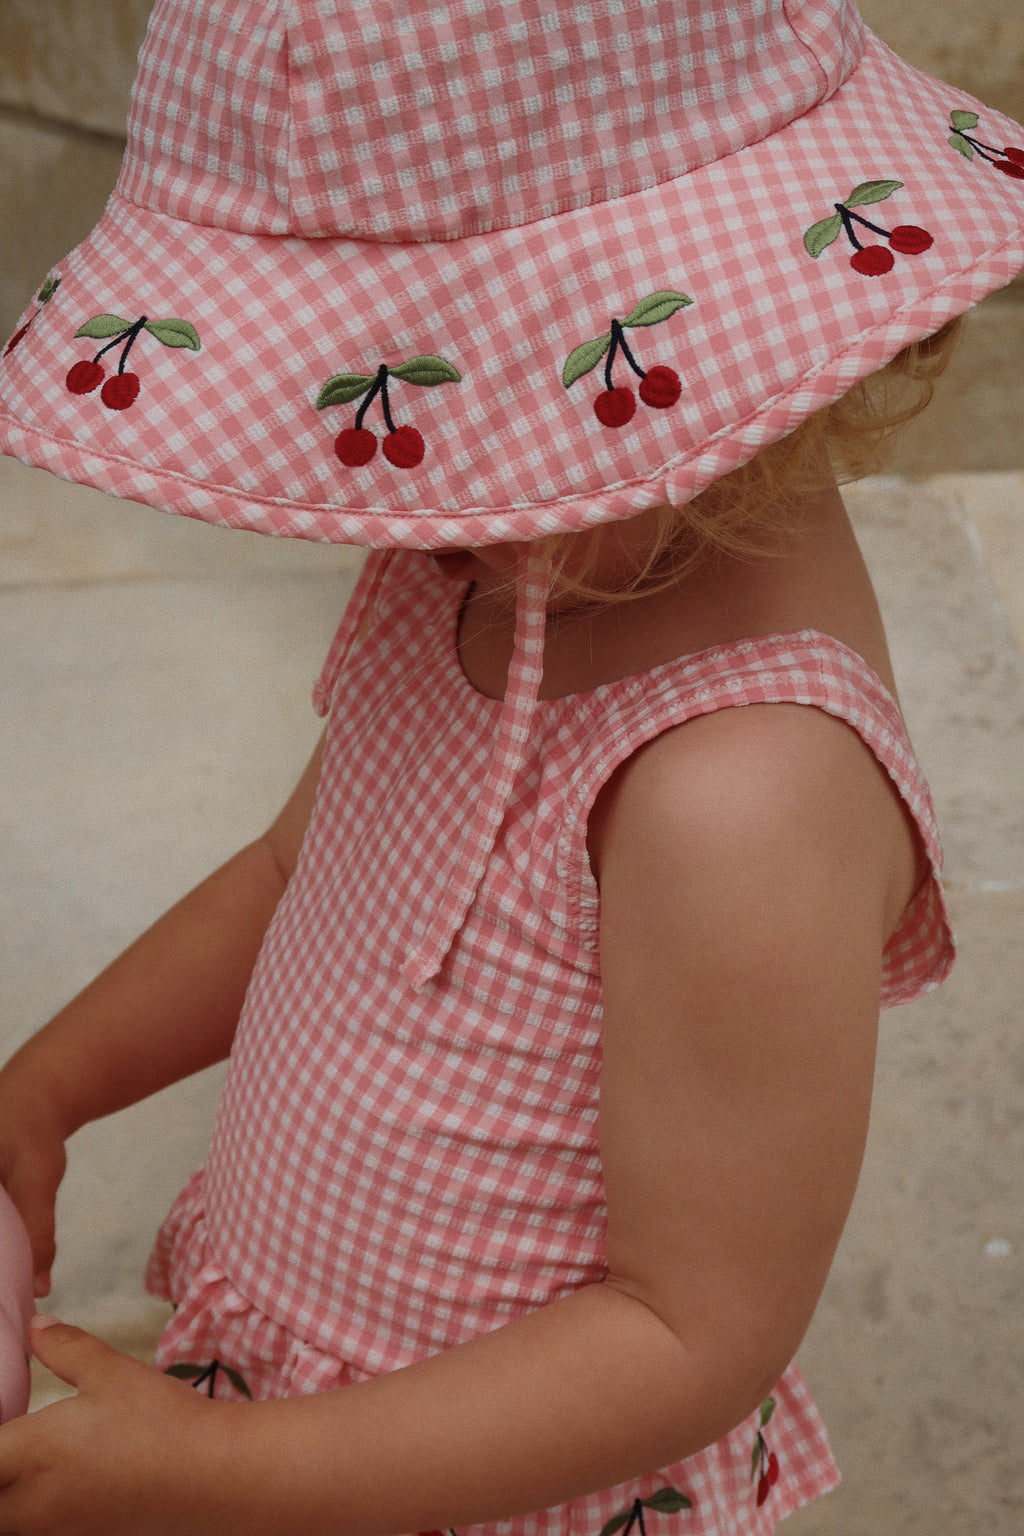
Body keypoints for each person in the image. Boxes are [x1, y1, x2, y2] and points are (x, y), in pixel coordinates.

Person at [0, 0, 1021, 1531]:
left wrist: (234, 1479)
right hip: (304, 1412)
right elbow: (305, 871)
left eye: (444, 384)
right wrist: (52, 1084)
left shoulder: (741, 789)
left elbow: (698, 1329)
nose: (387, 471)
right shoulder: (487, 548)